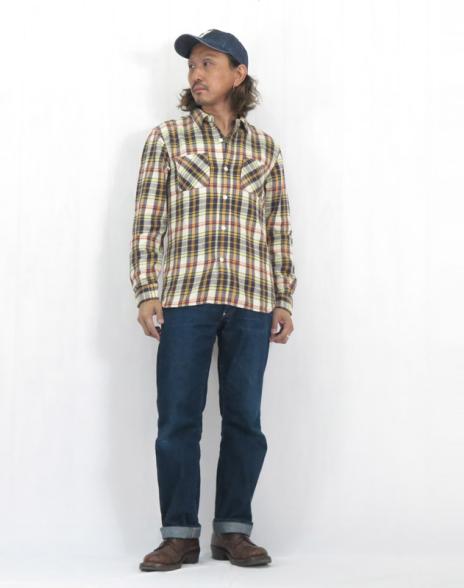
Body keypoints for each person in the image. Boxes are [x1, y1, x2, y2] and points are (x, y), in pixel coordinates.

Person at [129, 28, 297, 572]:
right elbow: (147, 222)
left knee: (245, 419)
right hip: (186, 297)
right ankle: (179, 535)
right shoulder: (167, 139)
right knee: (178, 419)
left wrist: (283, 297)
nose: (196, 74)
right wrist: (146, 291)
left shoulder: (265, 148)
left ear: (238, 74)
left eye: (207, 63)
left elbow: (278, 229)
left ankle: (233, 531)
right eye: (191, 66)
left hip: (251, 299)